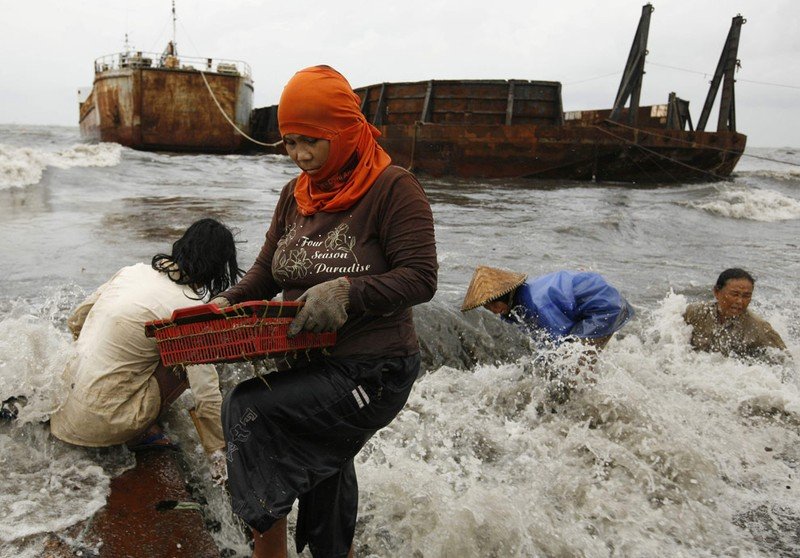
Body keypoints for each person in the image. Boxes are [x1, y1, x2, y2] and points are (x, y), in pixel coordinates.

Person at [211, 65, 437, 558]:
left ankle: (267, 552)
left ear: (345, 131)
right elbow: (267, 273)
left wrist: (346, 292)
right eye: (289, 143)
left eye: (312, 141)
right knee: (324, 461)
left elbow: (422, 279)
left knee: (249, 407)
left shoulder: (395, 189)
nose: (300, 156)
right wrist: (225, 303)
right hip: (310, 361)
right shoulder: (294, 195)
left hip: (374, 368)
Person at [50, 218, 243, 477]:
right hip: (104, 425)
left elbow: (77, 320)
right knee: (186, 358)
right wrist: (218, 452)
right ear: (218, 269)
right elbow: (205, 394)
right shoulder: (187, 310)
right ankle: (140, 432)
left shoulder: (132, 272)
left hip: (61, 414)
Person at [461, 266, 634, 349]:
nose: (493, 311)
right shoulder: (526, 295)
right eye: (487, 308)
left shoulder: (538, 305)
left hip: (604, 309)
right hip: (604, 301)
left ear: (504, 297)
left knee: (572, 362)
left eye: (492, 305)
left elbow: (557, 339)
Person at [683, 268, 788, 362]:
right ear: (716, 292)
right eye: (734, 294)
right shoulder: (695, 312)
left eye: (746, 296)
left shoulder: (759, 327)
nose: (740, 301)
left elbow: (785, 359)